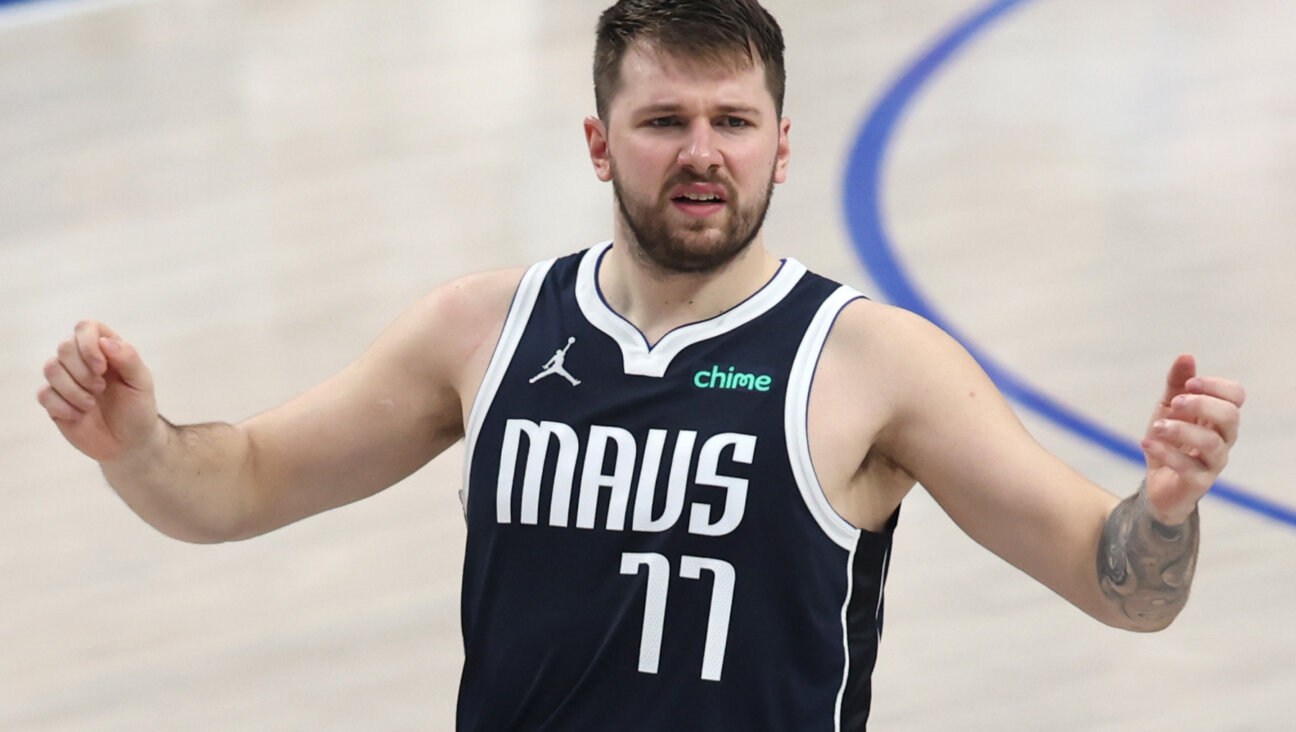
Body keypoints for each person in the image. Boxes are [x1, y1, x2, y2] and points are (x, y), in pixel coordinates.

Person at [37, 0, 1244, 729]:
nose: (701, 154)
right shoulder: (483, 327)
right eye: (665, 122)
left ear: (782, 142)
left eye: (731, 123)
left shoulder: (873, 361)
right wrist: (138, 445)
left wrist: (1167, 510)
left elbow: (1116, 583)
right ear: (598, 143)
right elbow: (240, 484)